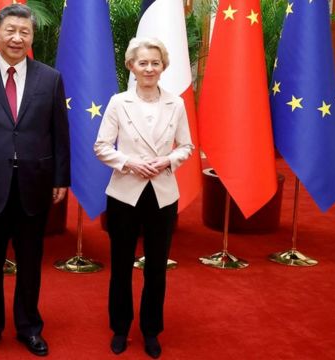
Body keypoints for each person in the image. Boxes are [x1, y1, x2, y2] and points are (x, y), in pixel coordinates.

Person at [0, 4, 70, 357]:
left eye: (25, 32)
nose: (17, 37)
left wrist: (61, 178)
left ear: (31, 36)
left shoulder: (49, 78)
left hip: (36, 184)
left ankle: (29, 327)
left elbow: (59, 134)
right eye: (11, 30)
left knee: (31, 260)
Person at [94, 37, 194, 359]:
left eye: (155, 62)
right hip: (125, 191)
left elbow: (186, 147)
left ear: (163, 66)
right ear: (131, 67)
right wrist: (129, 162)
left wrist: (167, 161)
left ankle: (151, 330)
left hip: (162, 194)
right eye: (143, 63)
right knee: (121, 265)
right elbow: (102, 147)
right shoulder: (117, 102)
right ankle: (120, 328)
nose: (149, 68)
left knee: (156, 267)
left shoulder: (176, 103)